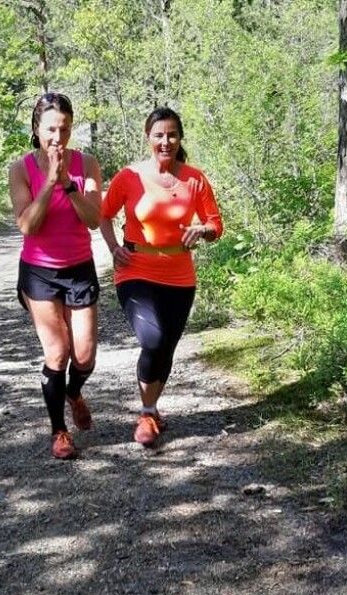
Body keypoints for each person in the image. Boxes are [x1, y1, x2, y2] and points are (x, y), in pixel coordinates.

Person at [100, 106, 224, 448]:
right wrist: (113, 248)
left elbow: (216, 225)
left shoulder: (195, 179)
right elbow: (104, 214)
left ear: (180, 138)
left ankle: (151, 411)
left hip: (180, 275)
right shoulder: (129, 177)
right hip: (136, 269)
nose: (165, 141)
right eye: (159, 135)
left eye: (171, 135)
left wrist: (202, 230)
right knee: (152, 340)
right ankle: (146, 411)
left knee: (166, 347)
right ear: (148, 138)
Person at [9, 92, 103, 460]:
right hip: (39, 272)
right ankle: (59, 432)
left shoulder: (87, 164)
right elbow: (27, 225)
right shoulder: (20, 169)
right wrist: (48, 182)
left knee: (84, 355)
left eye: (64, 129)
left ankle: (74, 391)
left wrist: (67, 183)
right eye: (50, 129)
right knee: (58, 351)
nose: (57, 138)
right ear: (36, 129)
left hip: (79, 267)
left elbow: (94, 220)